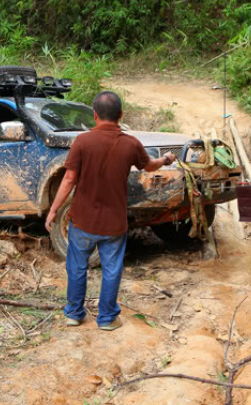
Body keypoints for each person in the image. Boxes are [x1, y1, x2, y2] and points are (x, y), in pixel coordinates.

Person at [45, 91, 176, 330]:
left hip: (82, 220)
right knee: (112, 269)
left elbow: (69, 179)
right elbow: (149, 166)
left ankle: (74, 314)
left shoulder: (82, 142)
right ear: (121, 115)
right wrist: (167, 159)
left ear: (95, 115)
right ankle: (106, 319)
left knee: (76, 266)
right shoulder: (131, 143)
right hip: (114, 223)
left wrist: (54, 210)